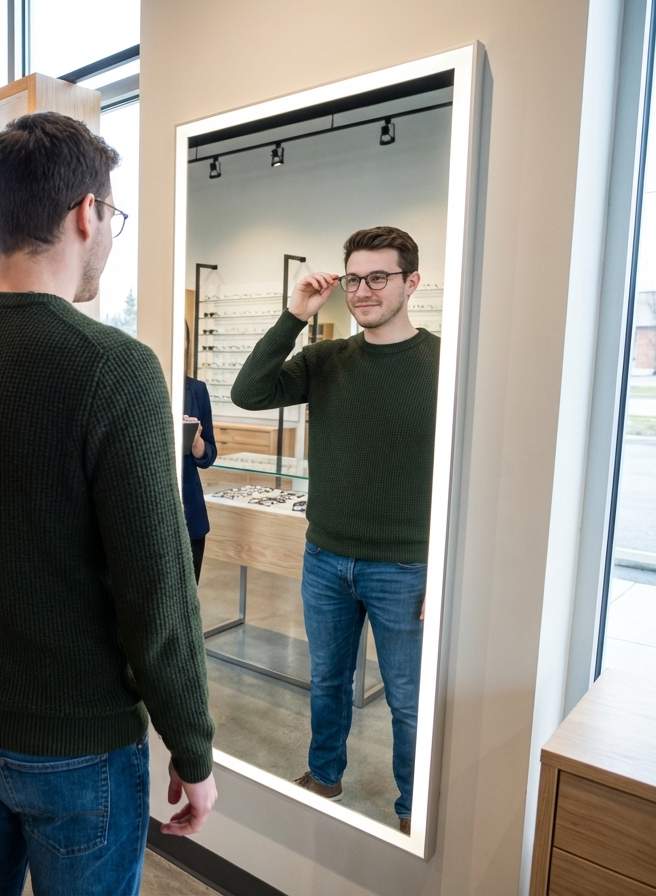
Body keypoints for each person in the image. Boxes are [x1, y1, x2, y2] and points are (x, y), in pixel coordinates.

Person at [0, 112, 217, 896]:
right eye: (113, 216)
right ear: (85, 212)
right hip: (73, 741)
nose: (109, 235)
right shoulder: (114, 367)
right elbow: (158, 587)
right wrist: (193, 745)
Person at [231, 226, 438, 835]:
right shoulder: (326, 360)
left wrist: (446, 569)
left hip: (406, 567)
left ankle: (412, 809)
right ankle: (324, 775)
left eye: (379, 277)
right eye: (354, 278)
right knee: (326, 681)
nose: (363, 290)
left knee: (407, 699)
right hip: (325, 557)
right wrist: (295, 316)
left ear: (411, 282)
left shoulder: (443, 363)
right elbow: (248, 393)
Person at [183, 323, 217, 582]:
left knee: (189, 592)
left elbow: (209, 454)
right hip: (146, 511)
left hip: (190, 511)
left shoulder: (196, 390)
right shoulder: (135, 387)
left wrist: (196, 443)